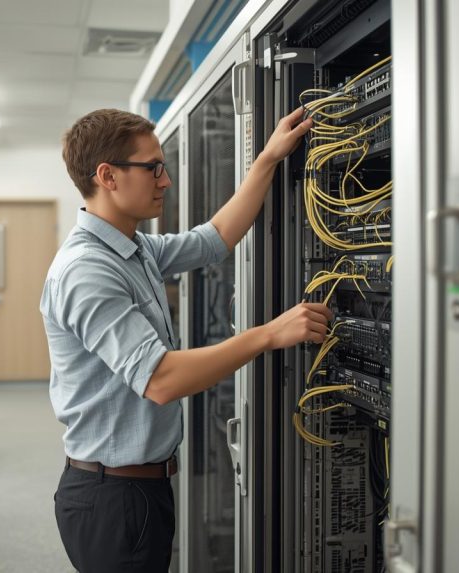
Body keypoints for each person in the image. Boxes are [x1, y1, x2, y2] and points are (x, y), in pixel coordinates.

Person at [42, 107, 332, 572]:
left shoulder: (134, 249)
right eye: (153, 168)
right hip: (112, 497)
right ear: (108, 176)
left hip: (136, 487)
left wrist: (268, 159)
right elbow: (160, 380)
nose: (166, 180)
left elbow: (214, 239)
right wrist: (268, 334)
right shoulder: (86, 270)